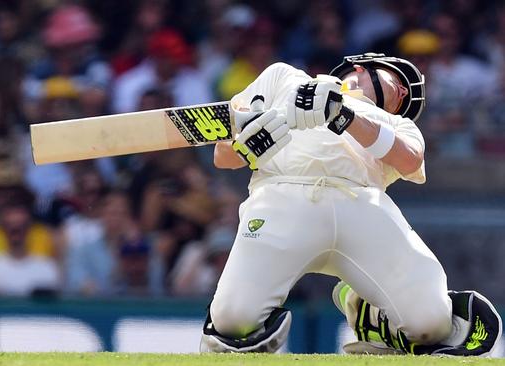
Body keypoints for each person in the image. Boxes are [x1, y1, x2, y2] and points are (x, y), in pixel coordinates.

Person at [200, 53, 502, 356]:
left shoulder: (397, 124)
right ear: (360, 69)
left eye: (404, 98)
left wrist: (341, 114)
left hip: (362, 205)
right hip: (281, 195)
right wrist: (247, 145)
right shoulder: (283, 77)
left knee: (432, 324)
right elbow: (222, 156)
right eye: (396, 79)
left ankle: (372, 315)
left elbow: (410, 159)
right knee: (232, 322)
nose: (403, 93)